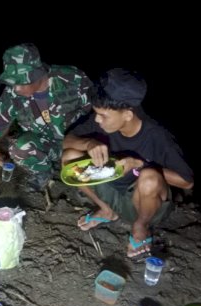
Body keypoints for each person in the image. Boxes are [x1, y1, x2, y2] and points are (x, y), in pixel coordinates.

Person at [61, 68, 194, 258]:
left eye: (103, 115)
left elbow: (186, 181)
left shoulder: (157, 135)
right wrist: (88, 143)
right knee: (70, 156)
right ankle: (106, 211)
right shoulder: (103, 119)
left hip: (143, 204)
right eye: (96, 113)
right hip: (111, 191)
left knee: (149, 178)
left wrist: (141, 165)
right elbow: (67, 140)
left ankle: (141, 227)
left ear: (128, 115)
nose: (98, 120)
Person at [0, 43, 94, 192]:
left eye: (20, 82)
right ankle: (44, 172)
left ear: (37, 74)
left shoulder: (72, 79)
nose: (16, 89)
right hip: (47, 145)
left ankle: (86, 181)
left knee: (85, 162)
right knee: (19, 148)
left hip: (78, 143)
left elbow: (97, 113)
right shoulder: (12, 94)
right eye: (12, 82)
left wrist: (89, 143)